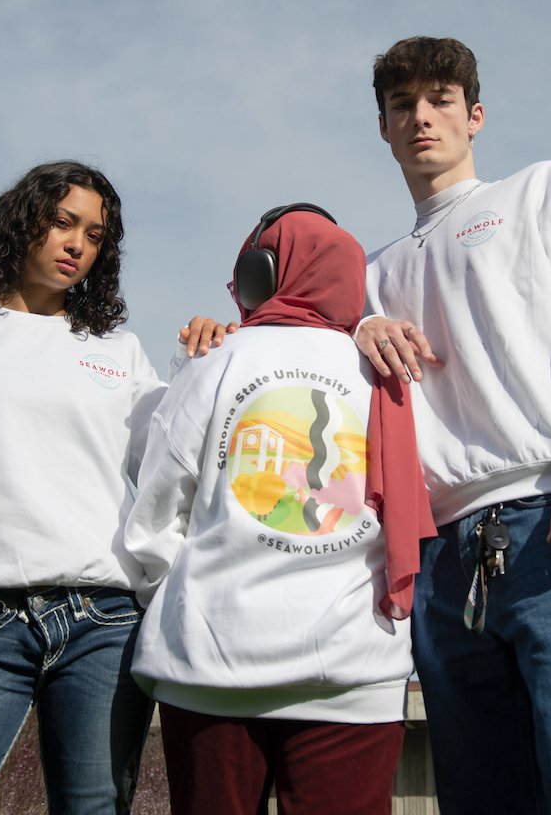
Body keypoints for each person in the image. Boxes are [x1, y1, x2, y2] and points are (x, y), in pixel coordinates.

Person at [356, 36, 551, 814]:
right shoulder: (374, 273)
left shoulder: (542, 191)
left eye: (440, 100)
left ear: (475, 115)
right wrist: (358, 330)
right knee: (482, 798)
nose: (422, 116)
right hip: (440, 557)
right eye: (403, 105)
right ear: (383, 127)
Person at [0, 160, 225, 815]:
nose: (77, 245)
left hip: (105, 622)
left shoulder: (117, 351)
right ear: (21, 223)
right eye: (63, 222)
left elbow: (172, 461)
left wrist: (199, 365)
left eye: (95, 235)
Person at [123, 205, 435, 815]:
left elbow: (156, 511)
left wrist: (175, 593)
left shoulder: (215, 362)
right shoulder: (385, 371)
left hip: (211, 668)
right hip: (354, 675)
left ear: (259, 271)